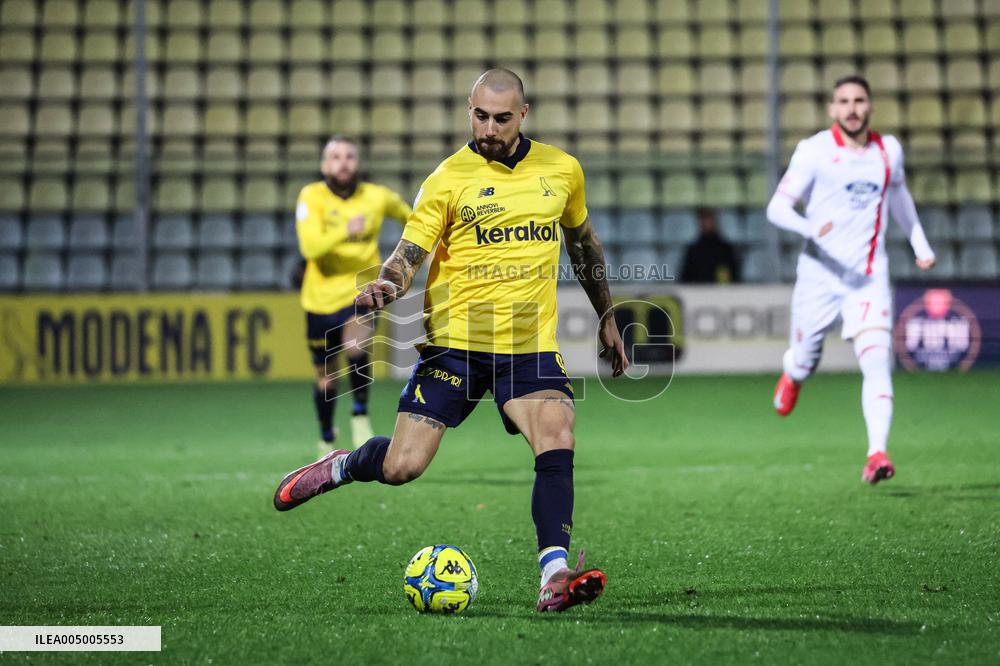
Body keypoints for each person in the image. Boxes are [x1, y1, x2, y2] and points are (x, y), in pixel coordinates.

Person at [273, 69, 629, 613]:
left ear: (524, 115)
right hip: (455, 345)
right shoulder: (447, 178)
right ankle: (343, 465)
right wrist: (385, 286)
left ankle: (554, 575)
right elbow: (407, 255)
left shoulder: (561, 170)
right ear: (470, 110)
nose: (489, 127)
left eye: (502, 118)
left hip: (528, 344)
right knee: (401, 467)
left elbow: (583, 244)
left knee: (558, 435)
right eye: (480, 115)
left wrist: (607, 314)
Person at [767, 75, 935, 484]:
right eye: (843, 101)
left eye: (859, 100)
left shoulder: (888, 150)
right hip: (819, 276)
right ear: (832, 109)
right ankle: (794, 373)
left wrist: (920, 243)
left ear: (871, 106)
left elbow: (899, 197)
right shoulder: (814, 151)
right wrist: (811, 228)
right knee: (806, 358)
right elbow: (777, 208)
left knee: (878, 361)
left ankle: (876, 452)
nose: (852, 108)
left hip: (868, 275)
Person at [294, 136, 412, 455]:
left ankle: (360, 414)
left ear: (358, 163)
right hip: (319, 300)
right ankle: (327, 437)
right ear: (324, 165)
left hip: (361, 291)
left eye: (349, 156)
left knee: (356, 346)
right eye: (335, 156)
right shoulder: (311, 197)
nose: (343, 162)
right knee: (326, 377)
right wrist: (345, 229)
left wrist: (410, 256)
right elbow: (310, 247)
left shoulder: (376, 196)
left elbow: (413, 219)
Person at [680, 207, 741, 283]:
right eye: (703, 219)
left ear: (715, 220)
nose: (706, 222)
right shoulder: (693, 251)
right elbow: (685, 279)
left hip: (722, 293)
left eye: (709, 218)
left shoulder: (726, 249)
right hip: (697, 293)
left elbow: (734, 278)